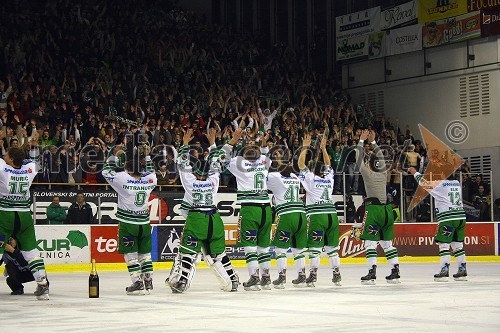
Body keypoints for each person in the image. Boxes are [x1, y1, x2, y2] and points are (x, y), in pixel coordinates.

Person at [167, 129, 239, 293]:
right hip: (214, 218)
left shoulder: (191, 183)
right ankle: (233, 279)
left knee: (188, 253)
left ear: (195, 172)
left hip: (197, 218)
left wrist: (184, 145)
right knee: (218, 253)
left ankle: (182, 282)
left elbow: (183, 164)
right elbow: (217, 161)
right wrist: (227, 142)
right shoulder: (213, 180)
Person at [221, 128, 273, 291]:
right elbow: (265, 153)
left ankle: (254, 277)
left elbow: (222, 159)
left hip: (251, 208)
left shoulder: (240, 164)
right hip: (267, 208)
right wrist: (263, 143)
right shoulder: (264, 162)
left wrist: (232, 142)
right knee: (264, 247)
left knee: (249, 245)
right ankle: (266, 277)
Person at [102, 145, 157, 295]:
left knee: (131, 255)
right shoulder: (149, 181)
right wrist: (147, 155)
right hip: (145, 223)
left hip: (128, 223)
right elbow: (151, 171)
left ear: (126, 167)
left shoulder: (123, 179)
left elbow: (106, 171)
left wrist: (114, 154)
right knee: (145, 254)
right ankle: (148, 281)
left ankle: (137, 282)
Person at [351, 130, 401, 285]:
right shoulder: (383, 171)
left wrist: (360, 141)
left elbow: (358, 159)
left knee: (370, 243)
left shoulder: (368, 174)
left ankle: (372, 272)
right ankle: (395, 270)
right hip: (387, 211)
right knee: (387, 244)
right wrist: (373, 142)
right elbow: (380, 156)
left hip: (374, 211)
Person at [0, 147, 50, 300]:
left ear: (11, 159)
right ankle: (43, 286)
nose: (4, 155)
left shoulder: (2, 168)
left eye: (6, 155)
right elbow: (37, 161)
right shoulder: (30, 169)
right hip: (24, 216)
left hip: (5, 215)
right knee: (32, 253)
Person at [408, 167, 468, 281]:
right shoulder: (456, 183)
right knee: (458, 245)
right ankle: (462, 270)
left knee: (444, 245)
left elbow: (423, 183)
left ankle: (444, 271)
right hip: (460, 217)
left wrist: (414, 172)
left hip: (448, 219)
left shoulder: (439, 185)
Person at [298, 133, 341, 287]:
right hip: (332, 214)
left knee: (314, 248)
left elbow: (300, 165)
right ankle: (337, 274)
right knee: (332, 248)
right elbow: (329, 165)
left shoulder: (310, 178)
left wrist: (305, 147)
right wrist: (323, 149)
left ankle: (313, 275)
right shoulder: (328, 178)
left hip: (317, 215)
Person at [266, 149, 308, 288]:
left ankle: (281, 277)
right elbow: (288, 169)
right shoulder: (295, 178)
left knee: (280, 249)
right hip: (301, 214)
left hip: (287, 214)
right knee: (298, 249)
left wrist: (275, 160)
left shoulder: (276, 178)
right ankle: (302, 276)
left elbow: (265, 174)